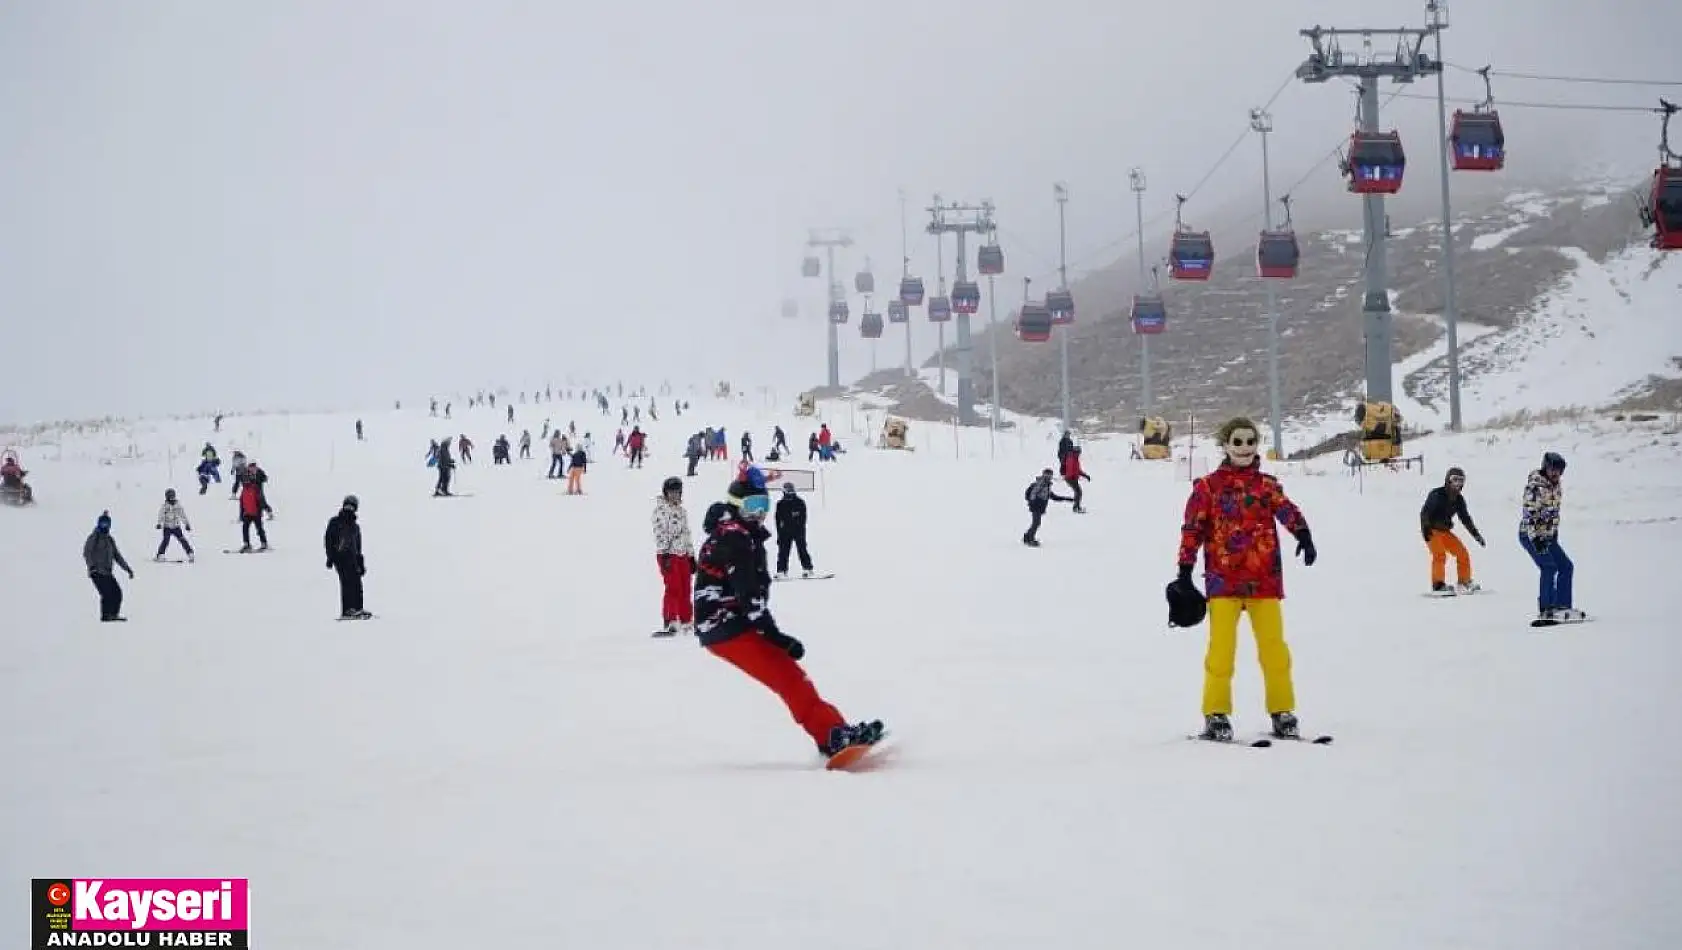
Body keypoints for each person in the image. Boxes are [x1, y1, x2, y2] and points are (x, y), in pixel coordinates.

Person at [693, 478, 882, 756]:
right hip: (726, 624)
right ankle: (832, 736)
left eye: (763, 505)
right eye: (752, 506)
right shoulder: (735, 536)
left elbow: (750, 596)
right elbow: (750, 597)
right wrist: (776, 637)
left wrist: (769, 632)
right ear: (735, 507)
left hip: (731, 622)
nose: (759, 513)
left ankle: (832, 731)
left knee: (790, 677)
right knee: (788, 677)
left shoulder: (738, 532)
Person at [1172, 416, 1316, 742]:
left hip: (1264, 579)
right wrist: (1184, 569)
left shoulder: (1266, 485)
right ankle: (1215, 713)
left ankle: (1282, 710)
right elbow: (1192, 528)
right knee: (1222, 651)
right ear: (1225, 445)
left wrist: (1303, 535)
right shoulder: (1207, 487)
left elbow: (1286, 510)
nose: (1245, 448)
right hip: (1223, 581)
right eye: (1237, 442)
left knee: (1275, 650)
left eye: (1250, 441)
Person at [1519, 451, 1576, 622]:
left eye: (1560, 470)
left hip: (1548, 536)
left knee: (1566, 566)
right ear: (1545, 468)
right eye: (1553, 470)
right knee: (1549, 567)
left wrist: (1553, 535)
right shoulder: (1535, 487)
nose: (1556, 474)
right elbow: (1529, 513)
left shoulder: (1556, 486)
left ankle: (1562, 606)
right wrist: (1535, 539)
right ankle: (1546, 608)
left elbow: (1553, 514)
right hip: (1530, 534)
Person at [1420, 466, 1484, 593]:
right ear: (1448, 480)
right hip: (1431, 530)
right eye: (1454, 480)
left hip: (1445, 531)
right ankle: (1438, 585)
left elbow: (1465, 519)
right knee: (1440, 555)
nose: (1457, 484)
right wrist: (1426, 528)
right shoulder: (1437, 494)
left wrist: (1476, 534)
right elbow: (1425, 512)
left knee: (1462, 553)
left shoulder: (1459, 500)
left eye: (1460, 481)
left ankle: (1464, 582)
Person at [651, 476, 696, 636]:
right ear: (666, 493)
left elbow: (686, 534)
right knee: (673, 588)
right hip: (668, 555)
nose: (674, 496)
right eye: (671, 493)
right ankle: (670, 620)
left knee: (685, 588)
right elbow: (660, 534)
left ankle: (686, 620)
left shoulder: (681, 511)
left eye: (677, 493)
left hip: (682, 554)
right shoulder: (661, 511)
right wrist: (664, 555)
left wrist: (691, 556)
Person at [324, 495, 369, 619]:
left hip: (353, 558)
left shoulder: (355, 526)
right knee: (347, 582)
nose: (349, 508)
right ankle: (348, 609)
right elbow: (328, 540)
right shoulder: (335, 522)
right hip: (340, 557)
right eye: (347, 505)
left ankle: (358, 608)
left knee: (357, 583)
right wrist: (330, 556)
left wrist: (361, 563)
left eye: (352, 506)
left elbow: (358, 547)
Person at [83, 511, 134, 621]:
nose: (104, 526)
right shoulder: (94, 537)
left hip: (107, 571)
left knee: (117, 592)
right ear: (98, 524)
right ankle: (106, 616)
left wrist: (127, 569)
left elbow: (117, 556)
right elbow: (87, 552)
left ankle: (113, 614)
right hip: (96, 571)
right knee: (106, 593)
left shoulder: (109, 539)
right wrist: (92, 566)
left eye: (106, 524)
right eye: (102, 524)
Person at [774, 482, 815, 578]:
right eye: (787, 490)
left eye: (791, 490)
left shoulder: (799, 502)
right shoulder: (780, 504)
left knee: (802, 549)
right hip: (784, 532)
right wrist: (779, 533)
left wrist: (798, 527)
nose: (789, 492)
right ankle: (781, 570)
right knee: (783, 551)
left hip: (798, 531)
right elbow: (777, 520)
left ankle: (808, 569)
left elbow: (803, 518)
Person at [1022, 469, 1072, 546]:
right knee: (1036, 523)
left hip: (1039, 507)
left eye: (1050, 475)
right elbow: (1033, 494)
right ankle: (1030, 539)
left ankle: (1027, 537)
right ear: (1044, 475)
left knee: (1036, 523)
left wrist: (1066, 499)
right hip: (1036, 506)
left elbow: (1053, 496)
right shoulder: (1041, 483)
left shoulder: (1046, 485)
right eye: (1047, 475)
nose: (1049, 477)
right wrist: (1033, 503)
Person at [155, 489, 195, 562]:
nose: (172, 498)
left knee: (182, 539)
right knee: (166, 540)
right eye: (170, 496)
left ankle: (190, 553)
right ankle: (160, 554)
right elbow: (161, 515)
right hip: (167, 527)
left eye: (172, 496)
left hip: (176, 526)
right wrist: (159, 523)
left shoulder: (178, 506)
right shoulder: (164, 506)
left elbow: (183, 515)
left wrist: (186, 524)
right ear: (167, 497)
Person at [237, 465, 270, 551]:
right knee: (245, 529)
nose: (245, 482)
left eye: (247, 480)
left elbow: (261, 500)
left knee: (259, 529)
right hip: (247, 513)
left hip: (256, 513)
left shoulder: (255, 488)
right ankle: (246, 544)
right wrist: (241, 514)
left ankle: (264, 543)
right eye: (244, 481)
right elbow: (242, 503)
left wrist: (264, 510)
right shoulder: (244, 491)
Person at [1060, 445, 1091, 513]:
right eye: (1078, 452)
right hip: (1070, 478)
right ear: (1075, 452)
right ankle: (1076, 508)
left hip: (1072, 478)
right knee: (1078, 492)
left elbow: (1078, 470)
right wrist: (1072, 477)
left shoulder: (1075, 458)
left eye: (1080, 452)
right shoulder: (1071, 458)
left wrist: (1085, 475)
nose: (1079, 454)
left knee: (1078, 492)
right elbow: (1070, 469)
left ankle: (1076, 507)